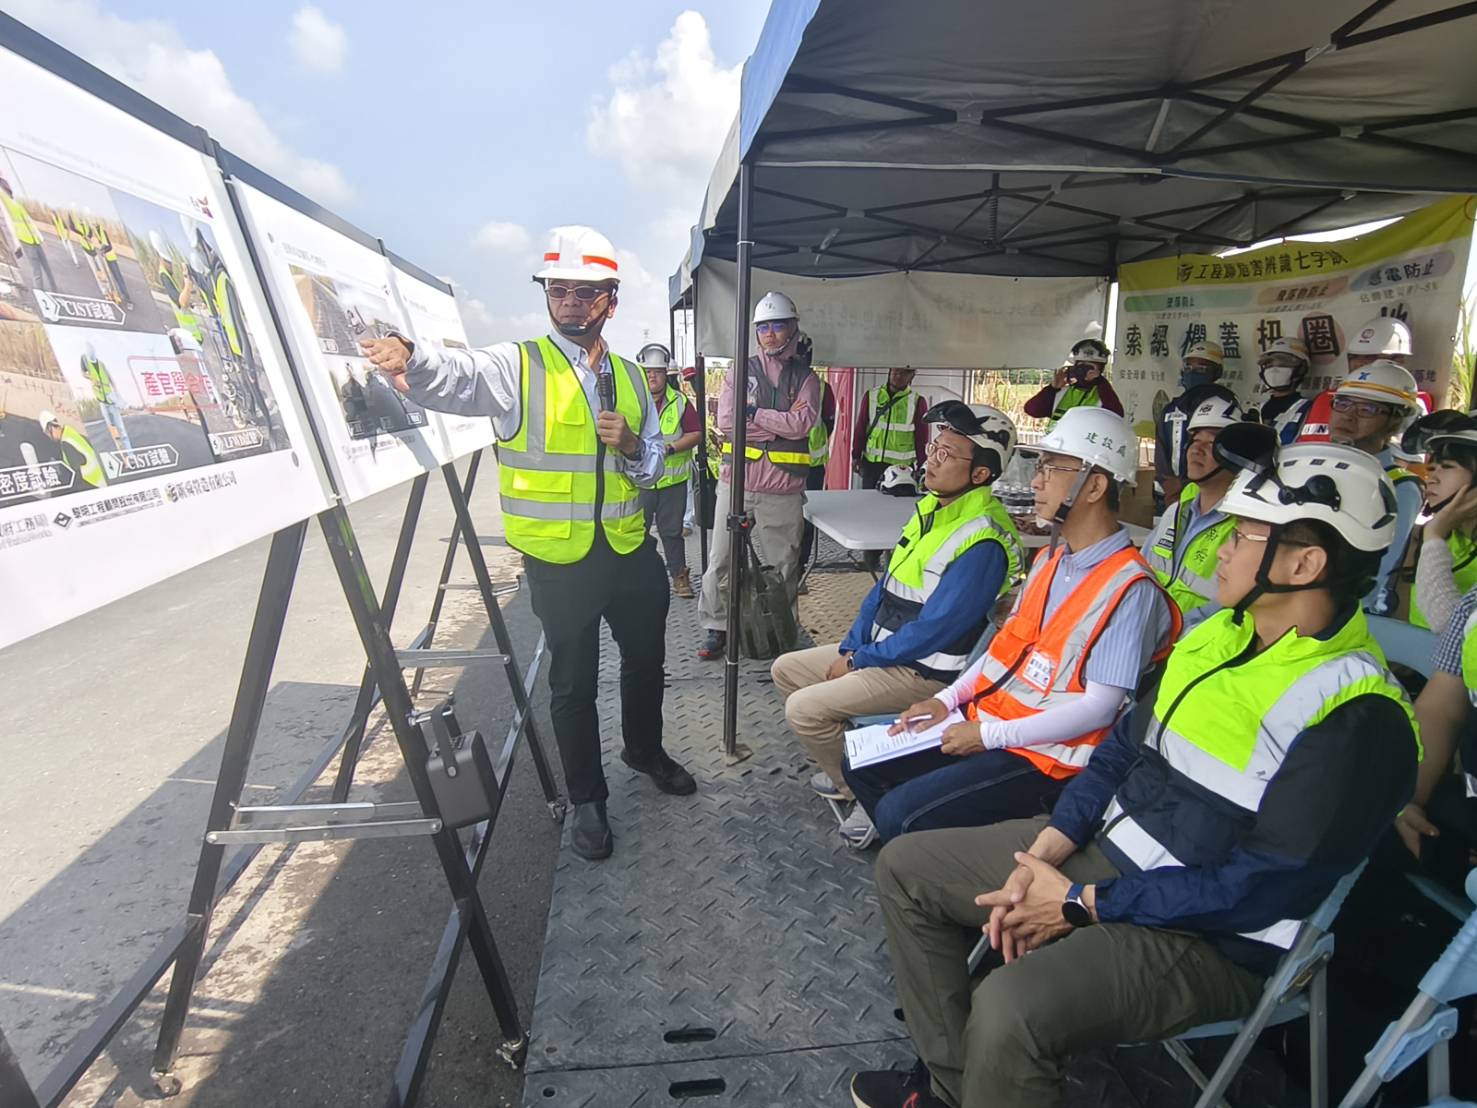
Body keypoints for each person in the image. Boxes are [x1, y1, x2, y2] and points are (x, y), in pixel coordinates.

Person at [850, 432, 1418, 1108]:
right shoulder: (1217, 636)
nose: (1223, 547)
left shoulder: (1359, 715)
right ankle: (955, 1088)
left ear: (1304, 564)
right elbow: (1119, 750)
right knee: (907, 867)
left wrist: (1080, 903)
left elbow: (1262, 888)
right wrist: (1052, 844)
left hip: (1210, 937)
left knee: (1011, 1004)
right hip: (1104, 862)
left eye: (1243, 534)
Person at [359, 225, 696, 861]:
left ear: (610, 302)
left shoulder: (629, 376)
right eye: (559, 289)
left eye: (585, 291)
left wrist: (631, 444)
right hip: (559, 561)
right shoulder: (519, 365)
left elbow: (654, 464)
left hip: (629, 551)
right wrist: (412, 356)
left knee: (648, 663)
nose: (569, 301)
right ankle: (587, 797)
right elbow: (457, 376)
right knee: (573, 684)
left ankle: (644, 750)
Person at [844, 407, 1179, 847]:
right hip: (994, 721)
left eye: (1053, 469)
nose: (1036, 481)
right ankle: (921, 864)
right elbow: (1004, 652)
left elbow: (1099, 709)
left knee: (901, 814)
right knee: (859, 763)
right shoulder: (1051, 562)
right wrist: (945, 700)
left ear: (1096, 485)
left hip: (1049, 758)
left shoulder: (1129, 589)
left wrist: (987, 735)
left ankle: (947, 881)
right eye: (1039, 467)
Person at [771, 402, 1024, 845]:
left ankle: (867, 797)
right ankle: (856, 764)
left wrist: (859, 662)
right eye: (935, 447)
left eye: (947, 453)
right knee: (786, 669)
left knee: (805, 709)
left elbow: (935, 632)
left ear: (981, 474)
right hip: (887, 654)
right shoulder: (931, 509)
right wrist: (852, 648)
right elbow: (883, 590)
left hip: (925, 673)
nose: (931, 458)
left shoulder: (983, 538)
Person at [697, 290, 818, 660]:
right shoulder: (740, 371)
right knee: (720, 561)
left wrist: (755, 415)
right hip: (737, 485)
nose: (769, 334)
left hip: (782, 489)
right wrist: (771, 424)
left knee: (783, 567)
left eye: (776, 326)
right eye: (762, 327)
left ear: (792, 329)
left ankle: (783, 633)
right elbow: (726, 421)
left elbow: (801, 425)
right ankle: (717, 626)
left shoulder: (807, 379)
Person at [1326, 359, 1423, 616]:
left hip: (1341, 617)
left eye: (1367, 409)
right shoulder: (1314, 467)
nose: (1347, 415)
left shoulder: (1400, 486)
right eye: (1342, 403)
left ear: (1396, 421)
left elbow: (1377, 574)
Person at [1141, 395, 1242, 625]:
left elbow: (1229, 613)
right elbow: (1138, 573)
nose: (1197, 450)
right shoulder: (1174, 513)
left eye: (1211, 443)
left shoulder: (1244, 528)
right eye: (1195, 440)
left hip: (1193, 650)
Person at [636, 342, 700, 600]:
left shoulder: (680, 402)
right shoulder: (631, 401)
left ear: (666, 374)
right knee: (635, 535)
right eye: (648, 371)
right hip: (639, 482)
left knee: (672, 533)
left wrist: (671, 448)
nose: (652, 376)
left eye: (658, 371)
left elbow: (695, 433)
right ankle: (639, 581)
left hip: (671, 483)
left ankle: (679, 577)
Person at [1404, 411, 1477, 633]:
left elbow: (1453, 632)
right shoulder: (1436, 536)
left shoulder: (1434, 534)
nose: (1432, 478)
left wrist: (1434, 535)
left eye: (1447, 467)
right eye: (1432, 468)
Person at [1297, 315, 1415, 443]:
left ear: (1398, 361)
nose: (1359, 363)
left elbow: (1406, 460)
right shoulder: (1327, 398)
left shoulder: (1405, 403)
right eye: (1355, 357)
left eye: (1370, 357)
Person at [1155, 339, 1236, 507]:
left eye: (1201, 368)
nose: (1193, 372)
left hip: (1206, 493)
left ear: (1216, 372)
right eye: (1189, 367)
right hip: (1167, 494)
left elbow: (1225, 455)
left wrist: (1184, 484)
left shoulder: (1225, 406)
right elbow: (1161, 449)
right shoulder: (1171, 407)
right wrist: (1168, 484)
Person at [1022, 336, 1123, 429]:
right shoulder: (1061, 393)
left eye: (1088, 366)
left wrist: (1100, 382)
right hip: (1053, 446)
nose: (1082, 369)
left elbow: (1117, 417)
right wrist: (1052, 389)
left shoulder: (1104, 396)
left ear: (1099, 370)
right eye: (1080, 364)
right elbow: (1032, 410)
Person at [854, 366, 926, 489]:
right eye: (896, 370)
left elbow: (922, 438)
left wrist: (922, 467)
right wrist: (855, 456)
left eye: (905, 372)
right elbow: (860, 428)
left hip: (902, 469)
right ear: (890, 371)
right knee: (868, 504)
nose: (899, 375)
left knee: (896, 506)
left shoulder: (918, 401)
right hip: (872, 465)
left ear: (912, 376)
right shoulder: (871, 396)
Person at [1244, 336, 1313, 444]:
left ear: (1301, 369)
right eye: (1268, 365)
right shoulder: (1257, 409)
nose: (1274, 370)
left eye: (1283, 364)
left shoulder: (1309, 409)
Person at [0, 175, 56, 292]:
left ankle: (52, 289)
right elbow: (11, 225)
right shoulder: (8, 205)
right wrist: (17, 245)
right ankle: (40, 291)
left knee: (45, 267)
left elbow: (30, 223)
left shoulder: (15, 204)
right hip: (26, 240)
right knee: (37, 268)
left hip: (34, 240)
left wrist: (41, 239)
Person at [80, 343, 132, 452]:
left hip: (111, 399)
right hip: (102, 401)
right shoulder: (85, 362)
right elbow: (83, 373)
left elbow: (111, 380)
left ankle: (130, 454)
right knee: (113, 430)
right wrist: (92, 378)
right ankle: (123, 454)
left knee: (121, 428)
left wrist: (118, 396)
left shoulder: (101, 365)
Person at [38, 409, 106, 489]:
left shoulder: (66, 444)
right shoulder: (71, 433)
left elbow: (76, 474)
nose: (49, 437)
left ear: (51, 427)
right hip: (102, 479)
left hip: (93, 484)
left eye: (47, 433)